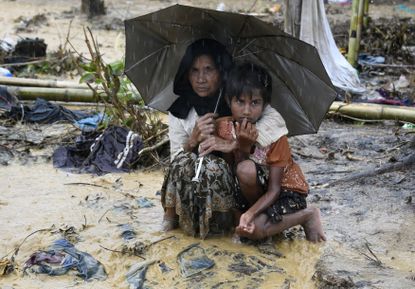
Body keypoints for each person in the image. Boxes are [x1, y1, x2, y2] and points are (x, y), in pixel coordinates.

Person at [200, 62, 326, 242]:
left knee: (256, 230)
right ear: (229, 101)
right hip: (253, 191)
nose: (246, 111)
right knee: (241, 223)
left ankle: (307, 214)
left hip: (283, 192)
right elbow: (230, 173)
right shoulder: (225, 128)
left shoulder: (275, 135)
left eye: (255, 103)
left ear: (265, 104)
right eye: (240, 102)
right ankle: (263, 218)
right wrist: (240, 146)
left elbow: (274, 189)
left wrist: (249, 214)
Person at [160, 38, 235, 239]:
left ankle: (222, 222)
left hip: (227, 180)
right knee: (184, 161)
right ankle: (171, 217)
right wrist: (192, 140)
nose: (200, 78)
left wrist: (226, 143)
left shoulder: (236, 103)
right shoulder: (180, 109)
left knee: (214, 167)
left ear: (221, 73)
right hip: (192, 178)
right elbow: (175, 159)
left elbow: (255, 155)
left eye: (208, 70)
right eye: (194, 70)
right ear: (186, 74)